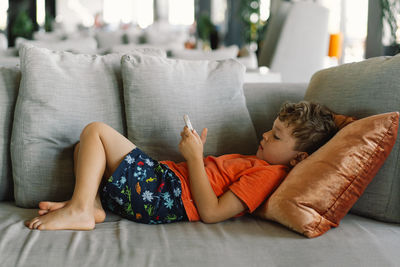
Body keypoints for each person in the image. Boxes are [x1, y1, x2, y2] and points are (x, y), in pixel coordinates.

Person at [25, 101, 337, 230]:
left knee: (95, 130)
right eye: (271, 129)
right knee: (84, 148)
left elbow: (212, 213)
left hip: (166, 196)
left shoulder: (269, 175)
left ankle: (79, 211)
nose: (266, 135)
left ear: (298, 158)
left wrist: (194, 158)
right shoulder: (259, 161)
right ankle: (90, 206)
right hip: (163, 185)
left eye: (277, 136)